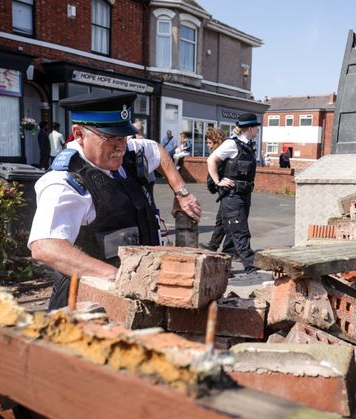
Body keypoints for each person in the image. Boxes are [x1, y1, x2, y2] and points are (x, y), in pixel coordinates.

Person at [28, 93, 201, 310]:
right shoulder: (64, 182)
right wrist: (118, 277)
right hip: (87, 302)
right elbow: (45, 247)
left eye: (124, 137)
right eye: (111, 139)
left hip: (135, 295)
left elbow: (156, 150)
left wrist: (181, 192)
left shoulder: (127, 152)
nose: (120, 147)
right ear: (79, 134)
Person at [207, 113, 261, 273]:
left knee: (227, 231)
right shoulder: (232, 144)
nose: (257, 130)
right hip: (232, 195)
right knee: (240, 231)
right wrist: (218, 181)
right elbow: (211, 160)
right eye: (256, 128)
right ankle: (251, 266)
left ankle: (221, 268)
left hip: (244, 194)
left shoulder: (249, 145)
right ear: (250, 128)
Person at [203, 127, 234, 255]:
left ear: (216, 142)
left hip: (228, 193)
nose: (208, 146)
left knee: (228, 223)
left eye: (210, 143)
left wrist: (215, 184)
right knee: (221, 222)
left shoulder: (220, 156)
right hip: (226, 193)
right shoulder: (224, 153)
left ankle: (229, 251)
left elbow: (212, 178)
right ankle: (213, 247)